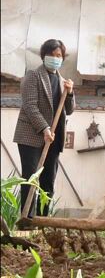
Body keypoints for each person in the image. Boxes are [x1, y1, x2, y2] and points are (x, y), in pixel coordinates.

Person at [13, 39, 75, 217]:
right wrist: (44, 128)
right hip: (31, 135)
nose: (55, 58)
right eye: (51, 55)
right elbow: (30, 106)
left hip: (54, 137)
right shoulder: (33, 76)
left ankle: (43, 219)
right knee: (31, 178)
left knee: (48, 180)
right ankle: (27, 219)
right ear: (43, 56)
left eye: (59, 56)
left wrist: (70, 93)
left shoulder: (63, 81)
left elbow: (69, 110)